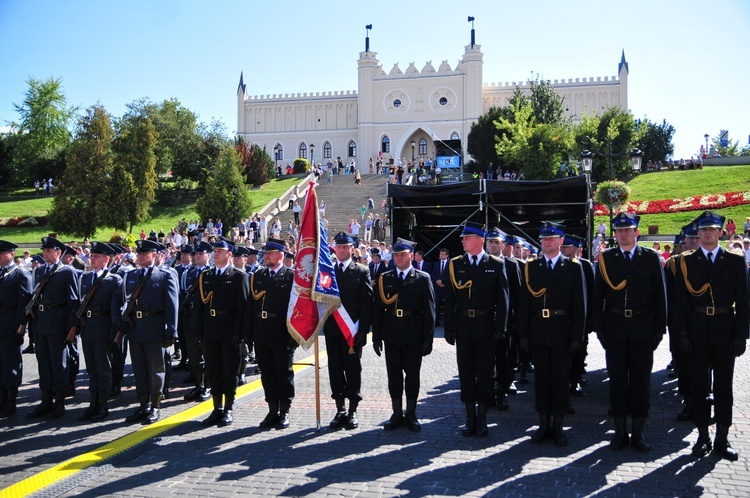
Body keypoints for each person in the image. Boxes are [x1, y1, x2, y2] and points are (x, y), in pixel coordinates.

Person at [673, 210, 749, 461]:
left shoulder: (735, 260)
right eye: (703, 229)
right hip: (696, 332)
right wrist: (681, 334)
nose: (706, 233)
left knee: (724, 388)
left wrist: (741, 335)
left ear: (721, 232)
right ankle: (702, 435)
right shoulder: (687, 261)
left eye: (712, 229)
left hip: (725, 332)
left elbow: (744, 301)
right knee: (698, 388)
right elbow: (680, 302)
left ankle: (722, 439)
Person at [592, 213, 667, 453]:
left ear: (637, 232)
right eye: (619, 231)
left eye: (628, 230)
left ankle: (639, 433)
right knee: (617, 381)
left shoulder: (650, 258)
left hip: (642, 326)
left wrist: (659, 328)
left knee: (640, 381)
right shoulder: (607, 258)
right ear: (614, 234)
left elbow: (660, 296)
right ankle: (620, 432)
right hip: (614, 327)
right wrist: (600, 328)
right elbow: (597, 297)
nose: (623, 234)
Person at [518, 223, 586, 446]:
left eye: (551, 239)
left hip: (562, 331)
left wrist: (578, 336)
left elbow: (579, 306)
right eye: (543, 239)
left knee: (560, 380)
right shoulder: (532, 267)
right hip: (539, 331)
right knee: (542, 381)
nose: (546, 242)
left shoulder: (573, 267)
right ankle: (543, 423)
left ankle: (558, 425)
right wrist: (524, 335)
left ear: (560, 240)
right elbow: (525, 304)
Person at [444, 222, 509, 437]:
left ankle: (482, 418)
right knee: (466, 373)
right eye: (463, 238)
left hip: (485, 327)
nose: (462, 241)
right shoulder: (455, 264)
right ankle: (469, 417)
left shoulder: (496, 265)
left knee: (484, 373)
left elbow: (503, 300)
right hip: (463, 326)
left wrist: (500, 327)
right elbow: (450, 298)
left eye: (467, 238)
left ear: (479, 240)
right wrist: (449, 328)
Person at [372, 238, 435, 431]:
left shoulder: (422, 278)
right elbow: (378, 309)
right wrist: (376, 337)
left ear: (411, 256)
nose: (398, 258)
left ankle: (412, 413)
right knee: (394, 376)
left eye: (402, 254)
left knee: (412, 375)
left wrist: (428, 339)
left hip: (413, 334)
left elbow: (430, 311)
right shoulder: (386, 278)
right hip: (391, 334)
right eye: (396, 255)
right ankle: (397, 413)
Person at [115, 239, 179, 425]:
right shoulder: (130, 276)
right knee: (140, 369)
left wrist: (171, 330)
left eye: (145, 253)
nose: (141, 256)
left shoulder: (164, 275)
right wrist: (119, 320)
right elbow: (121, 300)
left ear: (154, 255)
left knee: (156, 369)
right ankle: (143, 405)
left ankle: (156, 406)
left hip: (155, 328)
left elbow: (172, 305)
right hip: (136, 329)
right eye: (139, 253)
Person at [25, 237, 80, 419]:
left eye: (49, 251)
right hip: (41, 323)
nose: (45, 253)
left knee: (59, 364)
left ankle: (59, 402)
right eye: (44, 250)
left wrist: (71, 328)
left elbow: (73, 301)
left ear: (58, 253)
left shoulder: (66, 272)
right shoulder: (39, 272)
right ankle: (45, 400)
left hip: (58, 323)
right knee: (44, 363)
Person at [195, 239, 248, 427]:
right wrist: (199, 331)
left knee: (229, 371)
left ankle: (229, 408)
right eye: (214, 250)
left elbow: (243, 307)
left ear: (229, 255)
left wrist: (239, 333)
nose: (216, 253)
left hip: (229, 329)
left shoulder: (238, 276)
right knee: (213, 369)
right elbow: (200, 307)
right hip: (210, 328)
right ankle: (216, 408)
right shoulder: (206, 276)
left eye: (220, 251)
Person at [246, 237, 297, 429]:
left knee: (284, 373)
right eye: (265, 253)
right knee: (267, 373)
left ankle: (284, 411)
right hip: (262, 330)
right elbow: (251, 306)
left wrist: (295, 336)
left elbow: (298, 308)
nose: (266, 256)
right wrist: (248, 333)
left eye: (269, 253)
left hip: (282, 332)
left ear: (280, 255)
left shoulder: (290, 276)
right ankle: (272, 410)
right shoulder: (258, 276)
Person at [325, 232, 373, 430]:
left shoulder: (361, 271)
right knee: (335, 370)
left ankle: (352, 409)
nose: (342, 250)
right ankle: (340, 409)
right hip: (332, 329)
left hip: (352, 330)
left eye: (345, 247)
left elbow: (367, 303)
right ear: (334, 249)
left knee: (353, 370)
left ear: (352, 250)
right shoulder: (327, 272)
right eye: (339, 247)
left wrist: (363, 331)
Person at [74, 242, 123, 422]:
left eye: (97, 256)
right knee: (91, 369)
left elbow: (115, 310)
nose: (92, 258)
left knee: (103, 368)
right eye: (92, 255)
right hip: (88, 328)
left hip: (103, 329)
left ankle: (103, 404)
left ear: (106, 259)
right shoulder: (85, 279)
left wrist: (113, 335)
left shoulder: (114, 280)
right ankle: (92, 403)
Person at [486, 229, 521, 411]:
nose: (493, 245)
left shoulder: (511, 264)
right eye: (490, 242)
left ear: (503, 245)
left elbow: (517, 295)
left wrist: (515, 322)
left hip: (506, 322)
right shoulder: (482, 262)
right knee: (486, 361)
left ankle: (501, 393)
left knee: (503, 360)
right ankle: (488, 394)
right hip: (485, 322)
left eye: (496, 242)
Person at [0, 240, 33, 418]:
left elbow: (24, 306)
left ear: (12, 254)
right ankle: (2, 398)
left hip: (10, 325)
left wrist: (20, 330)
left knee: (11, 364)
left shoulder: (20, 275)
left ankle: (11, 400)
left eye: (1, 253)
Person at [181, 242, 212, 402]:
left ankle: (207, 386)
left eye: (201, 253)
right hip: (190, 318)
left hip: (205, 319)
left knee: (207, 353)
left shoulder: (211, 273)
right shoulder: (188, 273)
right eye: (196, 253)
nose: (197, 256)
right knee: (194, 355)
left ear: (208, 255)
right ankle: (198, 385)